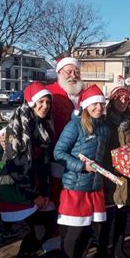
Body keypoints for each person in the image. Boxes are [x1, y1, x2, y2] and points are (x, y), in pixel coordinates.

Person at [0, 83, 58, 258]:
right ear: (31, 103)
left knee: (47, 225)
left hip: (37, 186)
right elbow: (16, 165)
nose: (45, 106)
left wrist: (45, 191)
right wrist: (36, 195)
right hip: (18, 187)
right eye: (40, 101)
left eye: (48, 102)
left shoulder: (41, 125)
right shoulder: (17, 125)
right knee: (41, 228)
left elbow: (45, 162)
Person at [54, 85, 110, 258]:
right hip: (76, 188)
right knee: (74, 232)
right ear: (86, 105)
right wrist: (81, 166)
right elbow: (59, 152)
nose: (98, 107)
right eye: (95, 103)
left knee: (89, 232)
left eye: (101, 103)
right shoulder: (74, 126)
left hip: (95, 188)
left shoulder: (104, 128)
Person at [98, 85, 130, 258]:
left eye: (126, 99)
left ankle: (118, 248)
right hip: (108, 175)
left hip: (127, 176)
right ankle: (101, 249)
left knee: (122, 214)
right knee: (106, 216)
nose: (123, 101)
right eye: (119, 98)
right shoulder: (103, 121)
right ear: (112, 99)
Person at [47, 57, 85, 204]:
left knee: (75, 195)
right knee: (56, 193)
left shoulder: (85, 94)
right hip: (55, 152)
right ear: (59, 72)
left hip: (80, 154)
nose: (73, 75)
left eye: (76, 72)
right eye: (69, 71)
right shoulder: (50, 93)